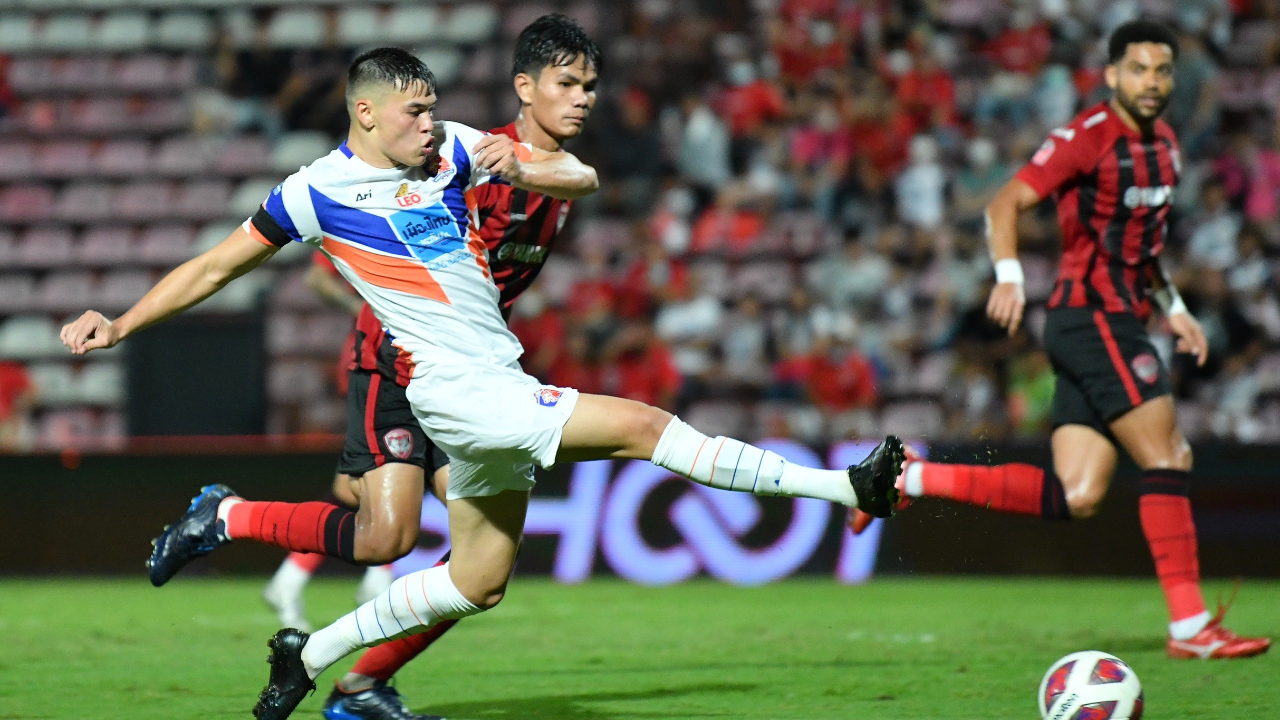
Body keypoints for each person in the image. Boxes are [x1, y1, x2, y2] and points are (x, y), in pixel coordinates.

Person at [60, 48, 905, 720]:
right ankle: (846, 487)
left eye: (434, 108)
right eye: (415, 111)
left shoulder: (455, 150)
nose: (432, 123)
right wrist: (123, 323)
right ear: (366, 113)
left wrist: (525, 167)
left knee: (478, 579)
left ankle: (309, 657)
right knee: (644, 428)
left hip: (493, 378)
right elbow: (215, 266)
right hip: (453, 390)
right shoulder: (313, 193)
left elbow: (582, 178)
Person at [850, 20, 1269, 660]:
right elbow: (1004, 204)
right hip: (1092, 316)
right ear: (1112, 75)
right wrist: (1010, 276)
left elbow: (1142, 249)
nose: (1152, 82)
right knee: (1169, 454)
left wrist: (1176, 308)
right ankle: (1190, 628)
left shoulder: (1166, 147)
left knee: (1079, 494)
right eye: (1139, 69)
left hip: (1116, 319)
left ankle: (911, 478)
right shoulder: (1086, 137)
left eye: (1162, 71)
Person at [264, 16, 612, 720]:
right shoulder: (470, 160)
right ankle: (239, 529)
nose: (583, 98)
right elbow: (361, 238)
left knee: (476, 561)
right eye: (568, 83)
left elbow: (581, 179)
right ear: (525, 88)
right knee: (400, 536)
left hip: (467, 371)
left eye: (590, 86)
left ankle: (359, 680)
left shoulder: (550, 178)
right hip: (403, 362)